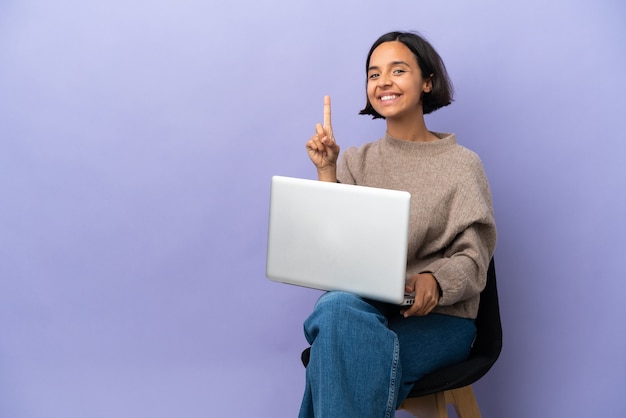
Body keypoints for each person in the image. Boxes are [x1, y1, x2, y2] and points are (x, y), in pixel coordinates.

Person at [299, 31, 497, 418]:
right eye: (374, 74)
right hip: (366, 308)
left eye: (398, 70)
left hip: (440, 318)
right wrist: (326, 171)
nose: (383, 81)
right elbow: (334, 252)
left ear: (427, 82)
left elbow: (474, 256)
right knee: (337, 307)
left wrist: (435, 282)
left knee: (339, 354)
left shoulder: (461, 164)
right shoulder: (357, 160)